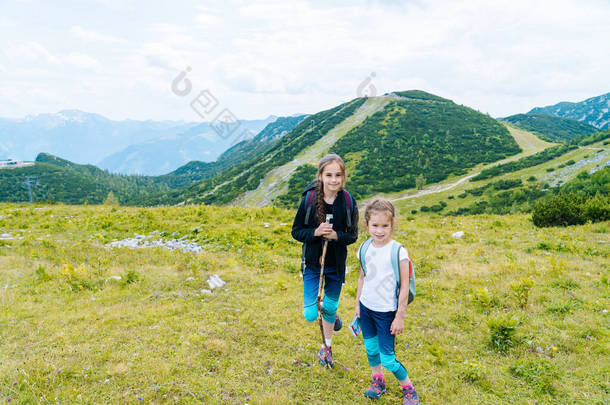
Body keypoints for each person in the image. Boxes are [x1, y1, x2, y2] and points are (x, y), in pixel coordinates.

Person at [291, 153, 358, 367]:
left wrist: (336, 236)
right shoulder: (309, 200)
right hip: (312, 264)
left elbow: (352, 235)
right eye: (328, 175)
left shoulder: (348, 202)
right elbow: (296, 231)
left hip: (335, 265)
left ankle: (326, 347)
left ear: (344, 176)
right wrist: (316, 233)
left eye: (338, 175)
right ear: (320, 176)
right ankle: (332, 316)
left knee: (329, 306)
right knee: (310, 314)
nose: (334, 180)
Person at [354, 198, 419, 404]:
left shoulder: (398, 252)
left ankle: (408, 387)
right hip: (366, 308)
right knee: (371, 349)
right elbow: (362, 277)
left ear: (392, 225)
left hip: (386, 312)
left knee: (388, 359)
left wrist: (399, 317)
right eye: (375, 225)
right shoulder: (364, 248)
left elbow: (404, 287)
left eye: (384, 226)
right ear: (367, 225)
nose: (379, 230)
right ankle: (378, 380)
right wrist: (357, 305)